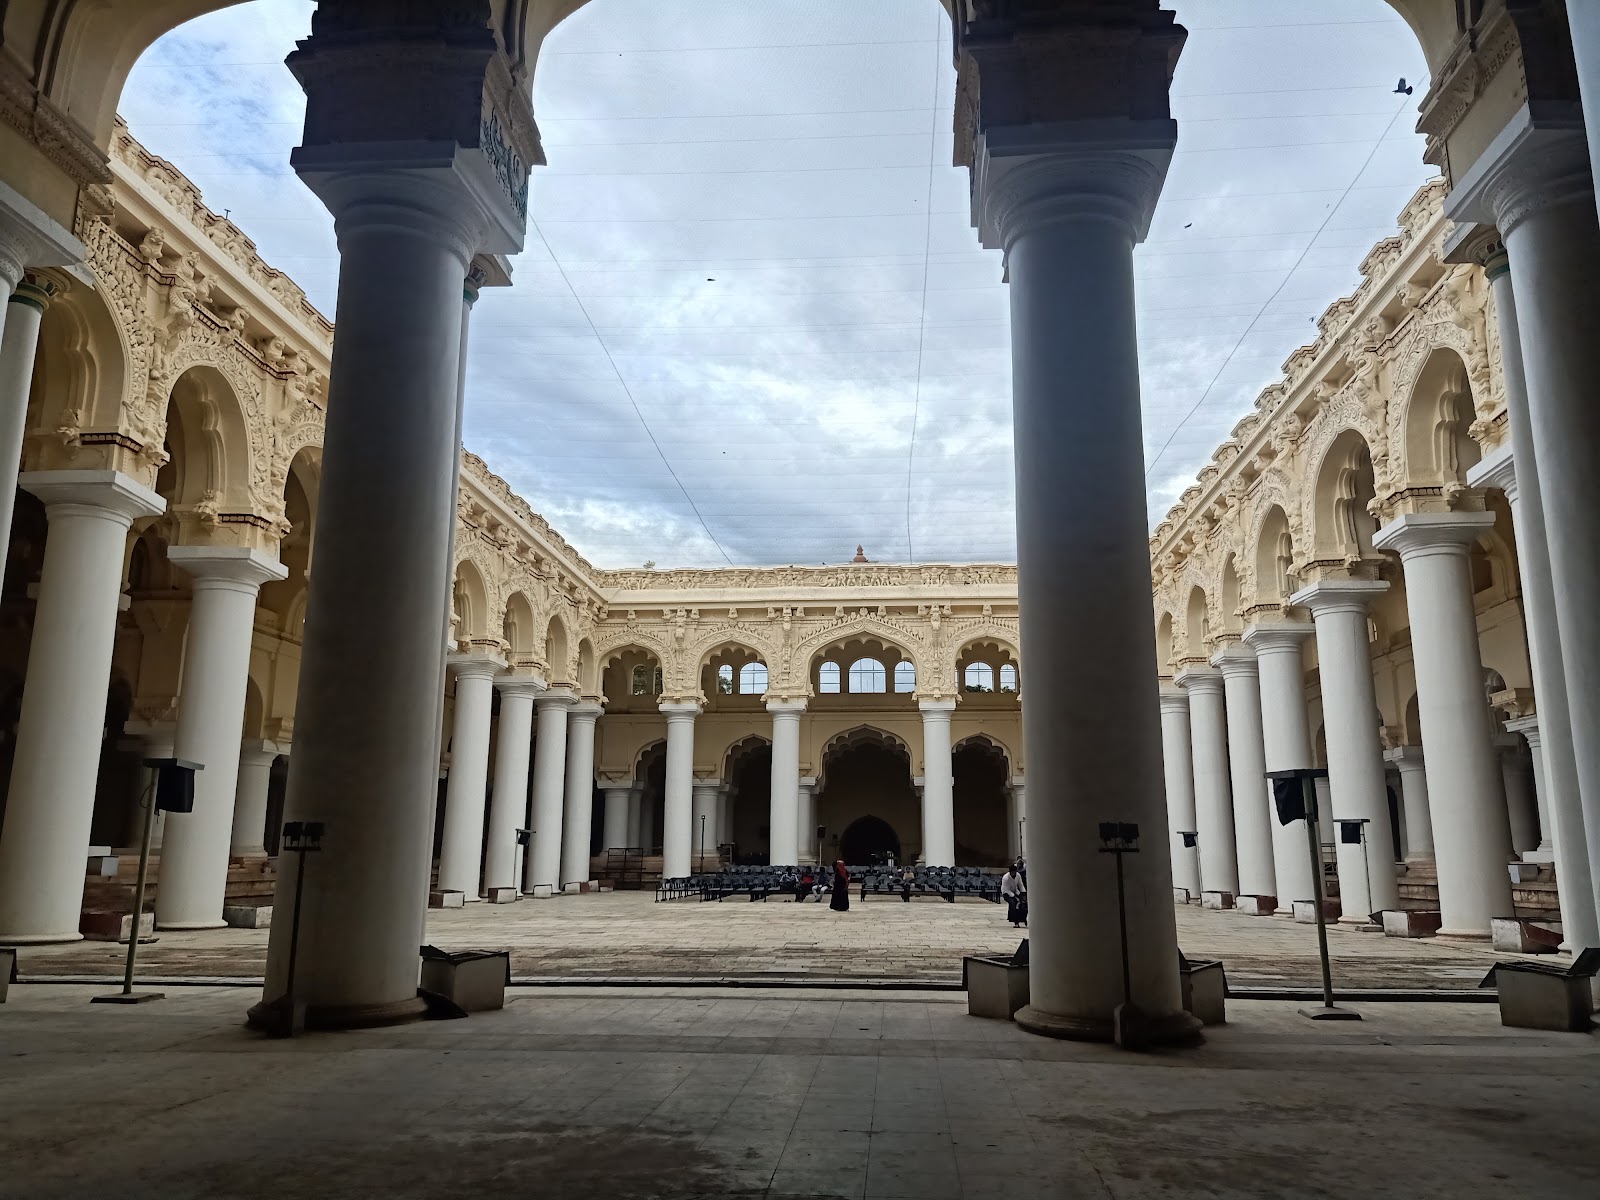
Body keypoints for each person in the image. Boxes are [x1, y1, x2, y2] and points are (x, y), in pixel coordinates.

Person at [1001, 862, 1027, 927]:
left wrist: (1023, 893)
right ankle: (1015, 921)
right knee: (1013, 903)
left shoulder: (1018, 875)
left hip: (1015, 891)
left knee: (1023, 904)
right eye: (1012, 872)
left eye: (1014, 872)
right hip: (1006, 893)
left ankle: (1023, 919)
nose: (1014, 874)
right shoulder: (1005, 878)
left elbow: (1021, 885)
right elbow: (1007, 890)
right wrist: (1015, 897)